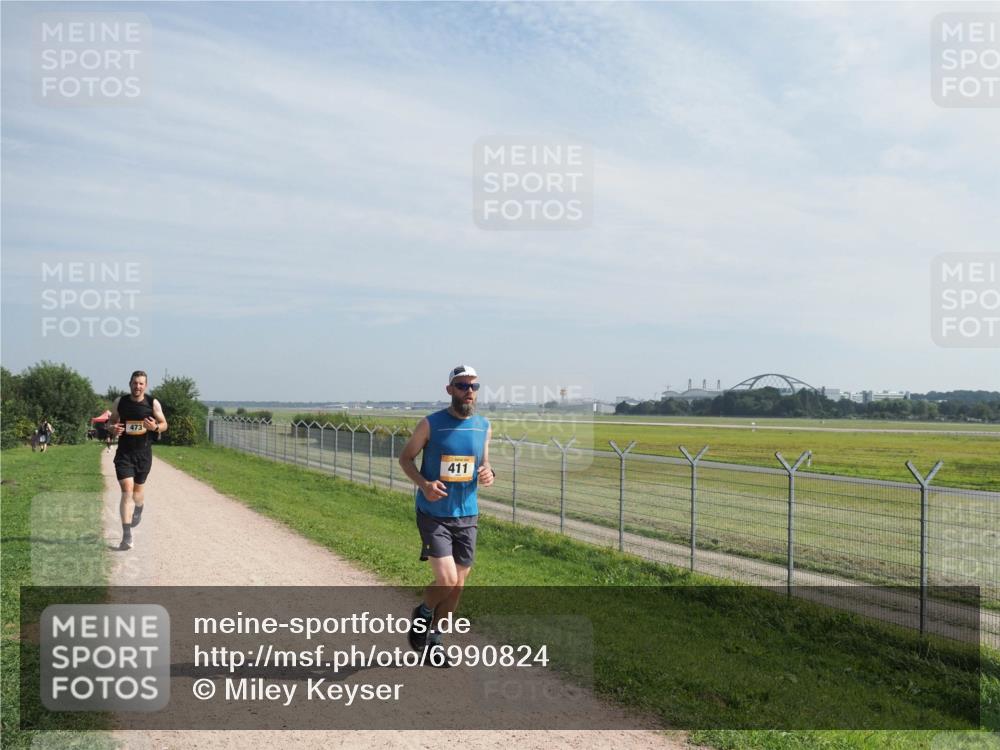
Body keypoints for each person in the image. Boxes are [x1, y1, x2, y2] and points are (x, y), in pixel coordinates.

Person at [398, 365, 494, 666]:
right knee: (447, 579)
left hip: (467, 515)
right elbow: (405, 458)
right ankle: (423, 613)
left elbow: (485, 463)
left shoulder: (484, 426)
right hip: (434, 514)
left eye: (473, 387)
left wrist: (489, 472)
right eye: (462, 385)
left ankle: (435, 642)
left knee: (458, 586)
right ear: (450, 389)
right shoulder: (430, 424)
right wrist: (425, 485)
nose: (469, 391)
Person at [108, 371, 168, 550]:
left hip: (143, 455)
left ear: (146, 386)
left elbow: (165, 424)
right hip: (124, 454)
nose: (138, 386)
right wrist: (113, 429)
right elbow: (111, 422)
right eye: (135, 383)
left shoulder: (152, 403)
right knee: (126, 491)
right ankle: (126, 536)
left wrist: (156, 426)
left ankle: (139, 508)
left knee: (136, 494)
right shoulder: (121, 402)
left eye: (141, 383)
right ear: (130, 384)